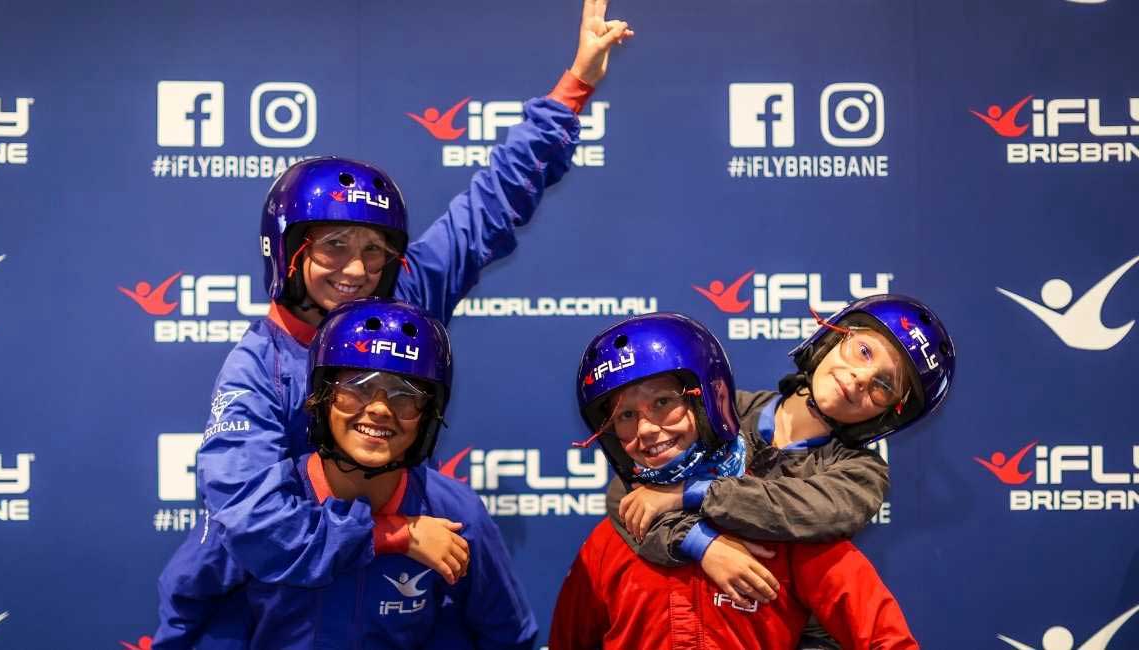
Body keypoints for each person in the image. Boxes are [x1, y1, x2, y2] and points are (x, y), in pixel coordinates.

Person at [156, 4, 633, 645]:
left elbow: (487, 207)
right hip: (288, 608)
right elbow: (259, 530)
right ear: (290, 253)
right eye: (333, 248)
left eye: (373, 250)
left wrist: (573, 86)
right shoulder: (255, 370)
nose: (355, 271)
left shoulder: (401, 299)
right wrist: (398, 535)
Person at [549, 312, 920, 649]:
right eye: (863, 352)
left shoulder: (810, 530)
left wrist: (689, 494)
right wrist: (701, 543)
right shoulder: (610, 543)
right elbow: (631, 496)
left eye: (883, 385)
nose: (858, 378)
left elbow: (812, 515)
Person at [204, 299, 535, 648]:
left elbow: (508, 638)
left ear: (427, 416)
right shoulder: (263, 505)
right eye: (357, 386)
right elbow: (191, 614)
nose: (379, 408)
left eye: (404, 395)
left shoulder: (458, 515)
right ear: (322, 397)